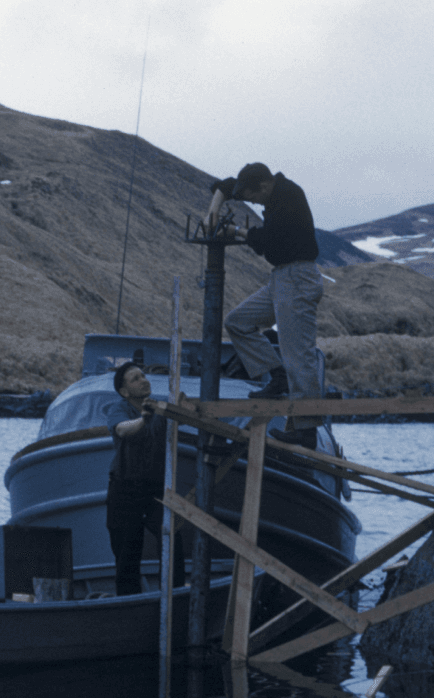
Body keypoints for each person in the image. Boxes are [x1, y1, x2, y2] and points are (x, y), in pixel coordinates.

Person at [204, 162, 324, 447]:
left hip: (297, 277)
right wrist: (218, 201)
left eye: (253, 197)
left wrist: (235, 231)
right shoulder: (274, 191)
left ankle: (306, 431)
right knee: (238, 322)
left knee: (299, 354)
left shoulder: (287, 198)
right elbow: (227, 184)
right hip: (282, 278)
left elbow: (268, 241)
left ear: (264, 186)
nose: (253, 203)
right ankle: (279, 376)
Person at [105, 361, 181, 596]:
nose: (144, 379)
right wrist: (143, 420)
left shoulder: (160, 407)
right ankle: (128, 604)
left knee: (172, 541)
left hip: (157, 489)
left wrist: (184, 406)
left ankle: (174, 596)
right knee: (127, 551)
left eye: (143, 375)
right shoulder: (119, 409)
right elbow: (121, 429)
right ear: (125, 392)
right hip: (125, 489)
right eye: (136, 378)